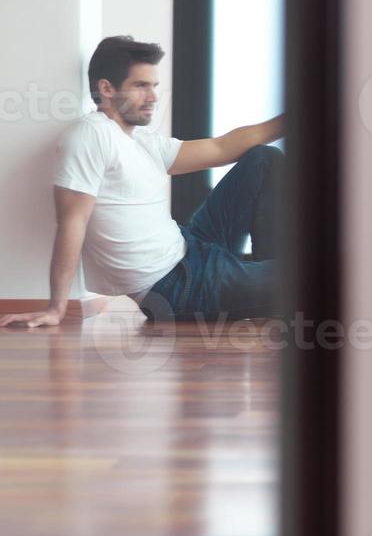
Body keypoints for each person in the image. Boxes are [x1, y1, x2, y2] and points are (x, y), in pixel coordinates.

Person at [0, 36, 284, 328]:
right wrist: (56, 307)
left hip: (192, 246)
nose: (153, 97)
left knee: (263, 160)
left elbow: (221, 148)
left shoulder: (142, 140)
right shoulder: (91, 136)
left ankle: (271, 278)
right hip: (177, 290)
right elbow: (72, 221)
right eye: (141, 86)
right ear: (106, 89)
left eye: (154, 86)